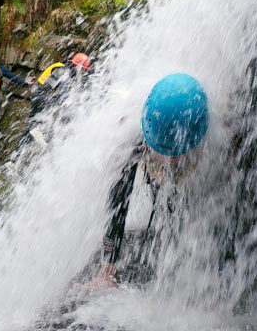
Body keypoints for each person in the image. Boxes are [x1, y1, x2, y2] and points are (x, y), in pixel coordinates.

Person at [88, 73, 209, 287]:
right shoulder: (131, 136)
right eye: (164, 151)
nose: (171, 160)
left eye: (177, 154)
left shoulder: (214, 132)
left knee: (181, 194)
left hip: (193, 143)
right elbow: (116, 206)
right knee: (159, 186)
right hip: (148, 144)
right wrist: (108, 269)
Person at [23, 52, 92, 145]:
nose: (83, 73)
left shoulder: (61, 67)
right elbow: (64, 94)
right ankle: (43, 132)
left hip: (36, 96)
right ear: (77, 67)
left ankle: (14, 158)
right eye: (83, 70)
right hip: (44, 97)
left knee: (30, 127)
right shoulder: (65, 72)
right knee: (62, 113)